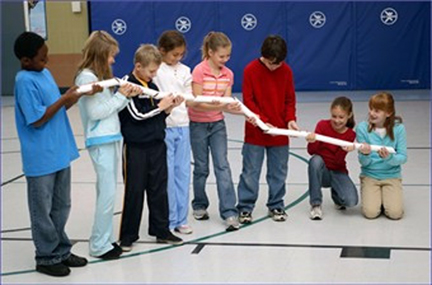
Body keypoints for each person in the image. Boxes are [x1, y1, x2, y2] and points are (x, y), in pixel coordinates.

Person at [13, 31, 94, 277]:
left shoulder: (44, 74)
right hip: (41, 156)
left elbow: (58, 107)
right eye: (41, 59)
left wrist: (75, 95)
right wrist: (63, 99)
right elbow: (37, 119)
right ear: (26, 60)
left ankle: (61, 249)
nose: (46, 62)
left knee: (61, 205)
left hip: (59, 150)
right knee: (42, 209)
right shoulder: (24, 81)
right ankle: (46, 256)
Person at [75, 31, 142, 259]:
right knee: (106, 193)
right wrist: (121, 96)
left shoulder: (99, 77)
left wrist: (127, 95)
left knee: (109, 193)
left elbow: (110, 108)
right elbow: (96, 112)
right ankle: (99, 245)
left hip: (111, 138)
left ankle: (104, 238)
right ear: (101, 54)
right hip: (100, 141)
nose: (113, 60)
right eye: (111, 55)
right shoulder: (86, 78)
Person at [118, 44, 184, 251]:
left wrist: (170, 107)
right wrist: (160, 107)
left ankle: (161, 230)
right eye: (151, 71)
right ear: (138, 66)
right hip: (136, 148)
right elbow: (137, 115)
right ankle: (128, 236)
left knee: (158, 190)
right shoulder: (127, 85)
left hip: (156, 145)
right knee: (135, 191)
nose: (154, 74)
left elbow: (157, 116)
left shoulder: (151, 86)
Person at [236, 35, 299, 224]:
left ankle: (276, 204)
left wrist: (290, 120)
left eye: (278, 64)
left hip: (280, 133)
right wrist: (263, 122)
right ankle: (245, 208)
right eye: (271, 63)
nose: (274, 67)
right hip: (256, 132)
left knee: (278, 171)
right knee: (250, 171)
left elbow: (289, 100)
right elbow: (249, 101)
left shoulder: (286, 71)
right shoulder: (250, 70)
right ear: (263, 56)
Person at [188, 31, 242, 231]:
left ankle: (229, 211)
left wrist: (233, 108)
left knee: (223, 166)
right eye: (222, 56)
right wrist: (221, 106)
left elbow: (226, 103)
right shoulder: (199, 71)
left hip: (218, 125)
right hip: (198, 125)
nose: (225, 60)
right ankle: (200, 205)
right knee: (201, 168)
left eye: (228, 56)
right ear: (210, 53)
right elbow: (197, 102)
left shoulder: (228, 74)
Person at [153, 30, 193, 235]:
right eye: (174, 54)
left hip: (183, 126)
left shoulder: (186, 70)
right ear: (162, 51)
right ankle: (168, 219)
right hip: (164, 127)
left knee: (182, 173)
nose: (178, 58)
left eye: (181, 54)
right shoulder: (156, 69)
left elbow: (190, 96)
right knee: (166, 175)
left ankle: (181, 218)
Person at [306, 96, 358, 220]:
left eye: (341, 117)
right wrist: (312, 141)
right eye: (334, 116)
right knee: (315, 161)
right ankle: (316, 204)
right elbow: (311, 151)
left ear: (349, 115)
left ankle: (337, 196)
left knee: (351, 201)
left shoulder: (351, 134)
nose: (337, 120)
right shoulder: (322, 125)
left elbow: (338, 161)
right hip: (322, 170)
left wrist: (346, 148)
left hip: (337, 170)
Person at [356, 92, 407, 220]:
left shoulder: (399, 129)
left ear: (388, 113)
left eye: (377, 111)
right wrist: (365, 154)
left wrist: (389, 158)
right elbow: (363, 162)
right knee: (370, 213)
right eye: (371, 109)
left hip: (391, 176)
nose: (372, 113)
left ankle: (386, 197)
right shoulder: (362, 128)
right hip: (370, 176)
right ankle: (375, 195)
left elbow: (403, 157)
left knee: (395, 214)